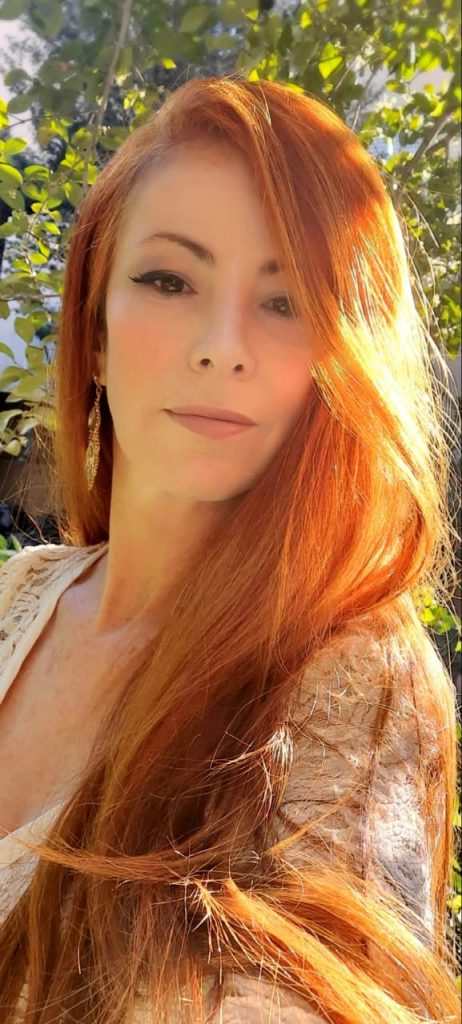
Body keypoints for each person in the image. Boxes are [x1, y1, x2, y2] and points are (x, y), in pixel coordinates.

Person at [0, 74, 460, 1024]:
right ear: (94, 323)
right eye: (170, 280)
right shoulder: (21, 593)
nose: (223, 346)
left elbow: (332, 975)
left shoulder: (351, 672)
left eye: (285, 302)